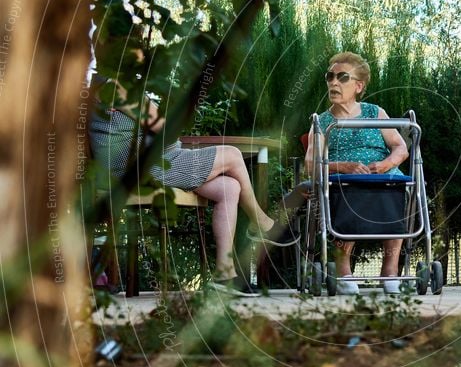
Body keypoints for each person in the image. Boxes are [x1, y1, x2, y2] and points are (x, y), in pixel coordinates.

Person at [88, 74, 276, 297]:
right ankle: (263, 225)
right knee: (233, 155)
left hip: (133, 166)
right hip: (144, 167)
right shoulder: (118, 87)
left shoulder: (91, 88)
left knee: (229, 188)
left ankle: (224, 276)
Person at [304, 52, 409, 295]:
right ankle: (343, 270)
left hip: (383, 176)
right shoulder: (321, 122)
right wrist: (342, 166)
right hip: (345, 181)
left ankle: (390, 271)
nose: (333, 83)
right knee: (348, 188)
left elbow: (400, 147)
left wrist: (384, 165)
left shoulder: (375, 113)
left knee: (396, 185)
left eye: (342, 78)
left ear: (358, 86)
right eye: (330, 77)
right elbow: (311, 163)